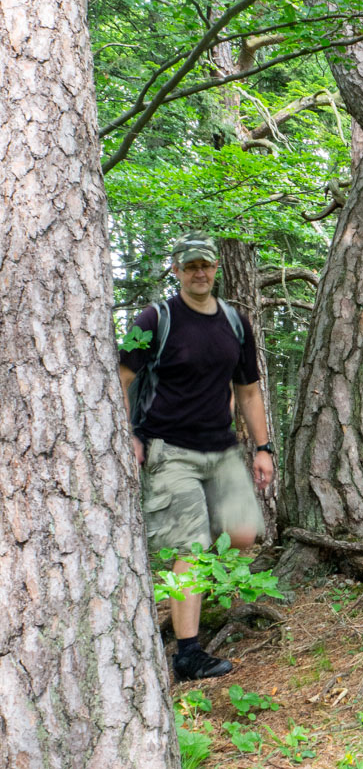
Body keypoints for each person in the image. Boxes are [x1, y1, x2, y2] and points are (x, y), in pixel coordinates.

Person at [119, 233, 275, 681]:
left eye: (206, 264)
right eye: (190, 266)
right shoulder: (154, 318)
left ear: (216, 268)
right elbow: (122, 374)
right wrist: (126, 433)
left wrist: (262, 448)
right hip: (170, 451)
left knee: (244, 535)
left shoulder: (234, 321)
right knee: (192, 548)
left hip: (222, 449)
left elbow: (247, 389)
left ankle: (199, 601)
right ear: (177, 270)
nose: (200, 273)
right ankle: (187, 654)